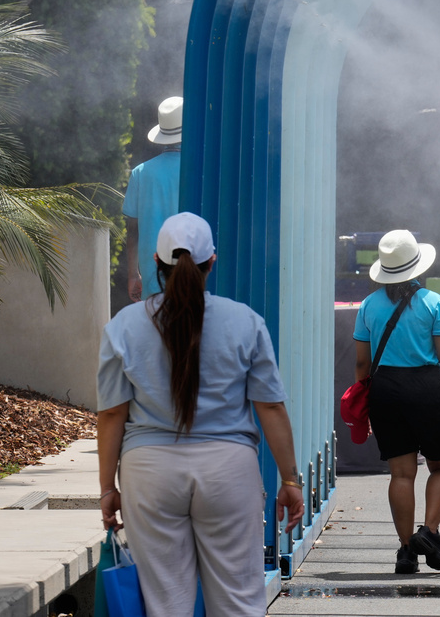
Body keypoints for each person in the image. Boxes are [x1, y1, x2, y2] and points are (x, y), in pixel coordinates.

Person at [97, 212, 304, 616]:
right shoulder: (246, 322)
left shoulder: (123, 327)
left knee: (166, 603)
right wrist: (290, 479)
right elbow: (271, 407)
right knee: (238, 601)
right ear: (212, 263)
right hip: (228, 471)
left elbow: (111, 416)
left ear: (156, 264)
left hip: (149, 473)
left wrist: (108, 488)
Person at [352, 230, 440, 574]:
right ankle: (430, 533)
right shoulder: (434, 303)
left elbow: (362, 363)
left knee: (401, 474)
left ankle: (406, 551)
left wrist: (366, 394)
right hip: (427, 388)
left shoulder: (368, 305)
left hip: (385, 390)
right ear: (416, 267)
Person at [123, 96, 183, 302]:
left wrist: (133, 275)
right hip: (193, 279)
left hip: (153, 282)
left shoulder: (140, 173)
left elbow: (132, 232)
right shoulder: (201, 172)